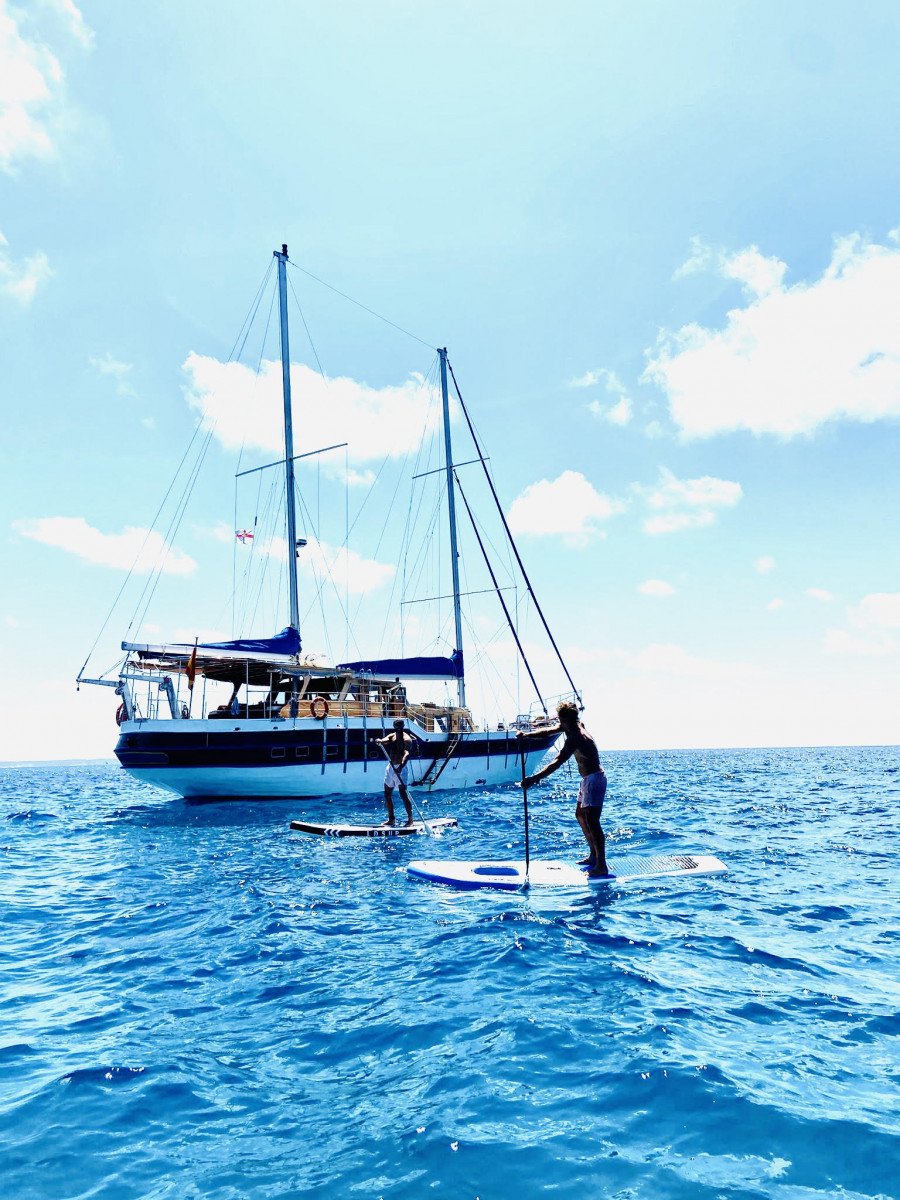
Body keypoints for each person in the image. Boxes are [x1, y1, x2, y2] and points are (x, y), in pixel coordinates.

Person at [522, 700, 610, 877]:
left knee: (593, 822)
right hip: (587, 780)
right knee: (580, 815)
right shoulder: (573, 726)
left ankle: (601, 865)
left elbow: (557, 762)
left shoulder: (576, 737)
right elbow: (548, 731)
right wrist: (526, 735)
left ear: (566, 720)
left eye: (560, 721)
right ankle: (593, 856)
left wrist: (534, 779)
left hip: (595, 779)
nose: (559, 724)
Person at [373, 719, 415, 826]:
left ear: (403, 726)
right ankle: (391, 819)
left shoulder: (407, 739)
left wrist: (400, 767)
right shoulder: (392, 736)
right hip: (391, 767)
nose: (398, 727)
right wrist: (380, 741)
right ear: (394, 726)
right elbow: (385, 740)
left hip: (401, 769)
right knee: (387, 794)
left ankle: (410, 820)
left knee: (403, 794)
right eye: (396, 725)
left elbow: (406, 754)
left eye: (400, 725)